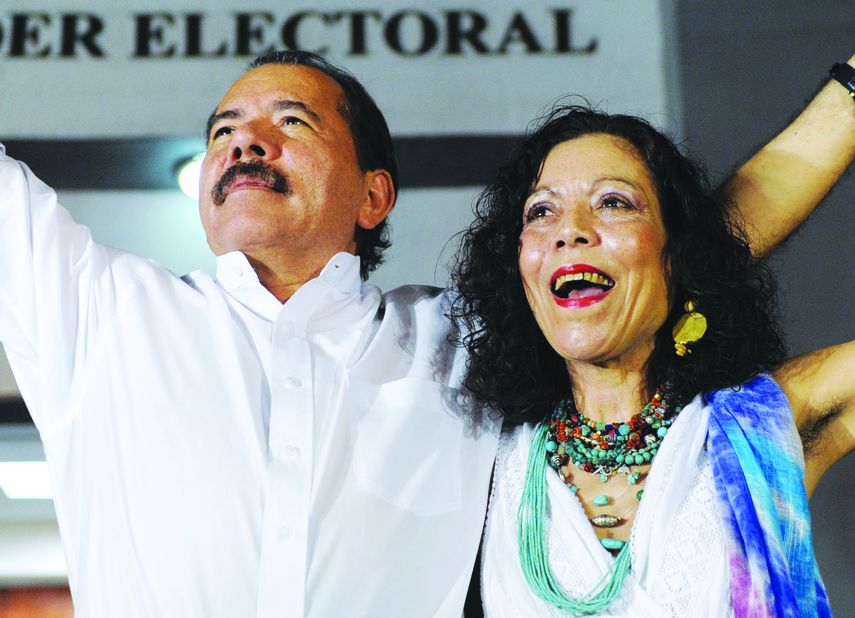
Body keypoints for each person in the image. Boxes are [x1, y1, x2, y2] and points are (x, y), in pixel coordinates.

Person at [0, 49, 852, 617]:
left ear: (373, 197)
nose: (244, 141)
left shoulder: (456, 344)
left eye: (290, 123)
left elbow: (681, 248)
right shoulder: (97, 312)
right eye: (223, 129)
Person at [450, 100, 855, 616]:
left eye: (614, 203)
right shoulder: (481, 455)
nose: (569, 230)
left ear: (677, 257)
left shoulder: (757, 427)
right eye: (541, 211)